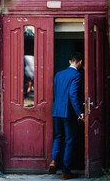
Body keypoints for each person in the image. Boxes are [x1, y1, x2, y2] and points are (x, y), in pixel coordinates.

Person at [49, 52, 85, 180]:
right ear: (80, 62)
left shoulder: (58, 75)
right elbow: (72, 94)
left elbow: (57, 93)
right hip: (68, 113)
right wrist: (79, 112)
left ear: (70, 62)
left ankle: (53, 160)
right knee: (69, 141)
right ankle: (66, 171)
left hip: (56, 111)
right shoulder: (77, 75)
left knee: (58, 137)